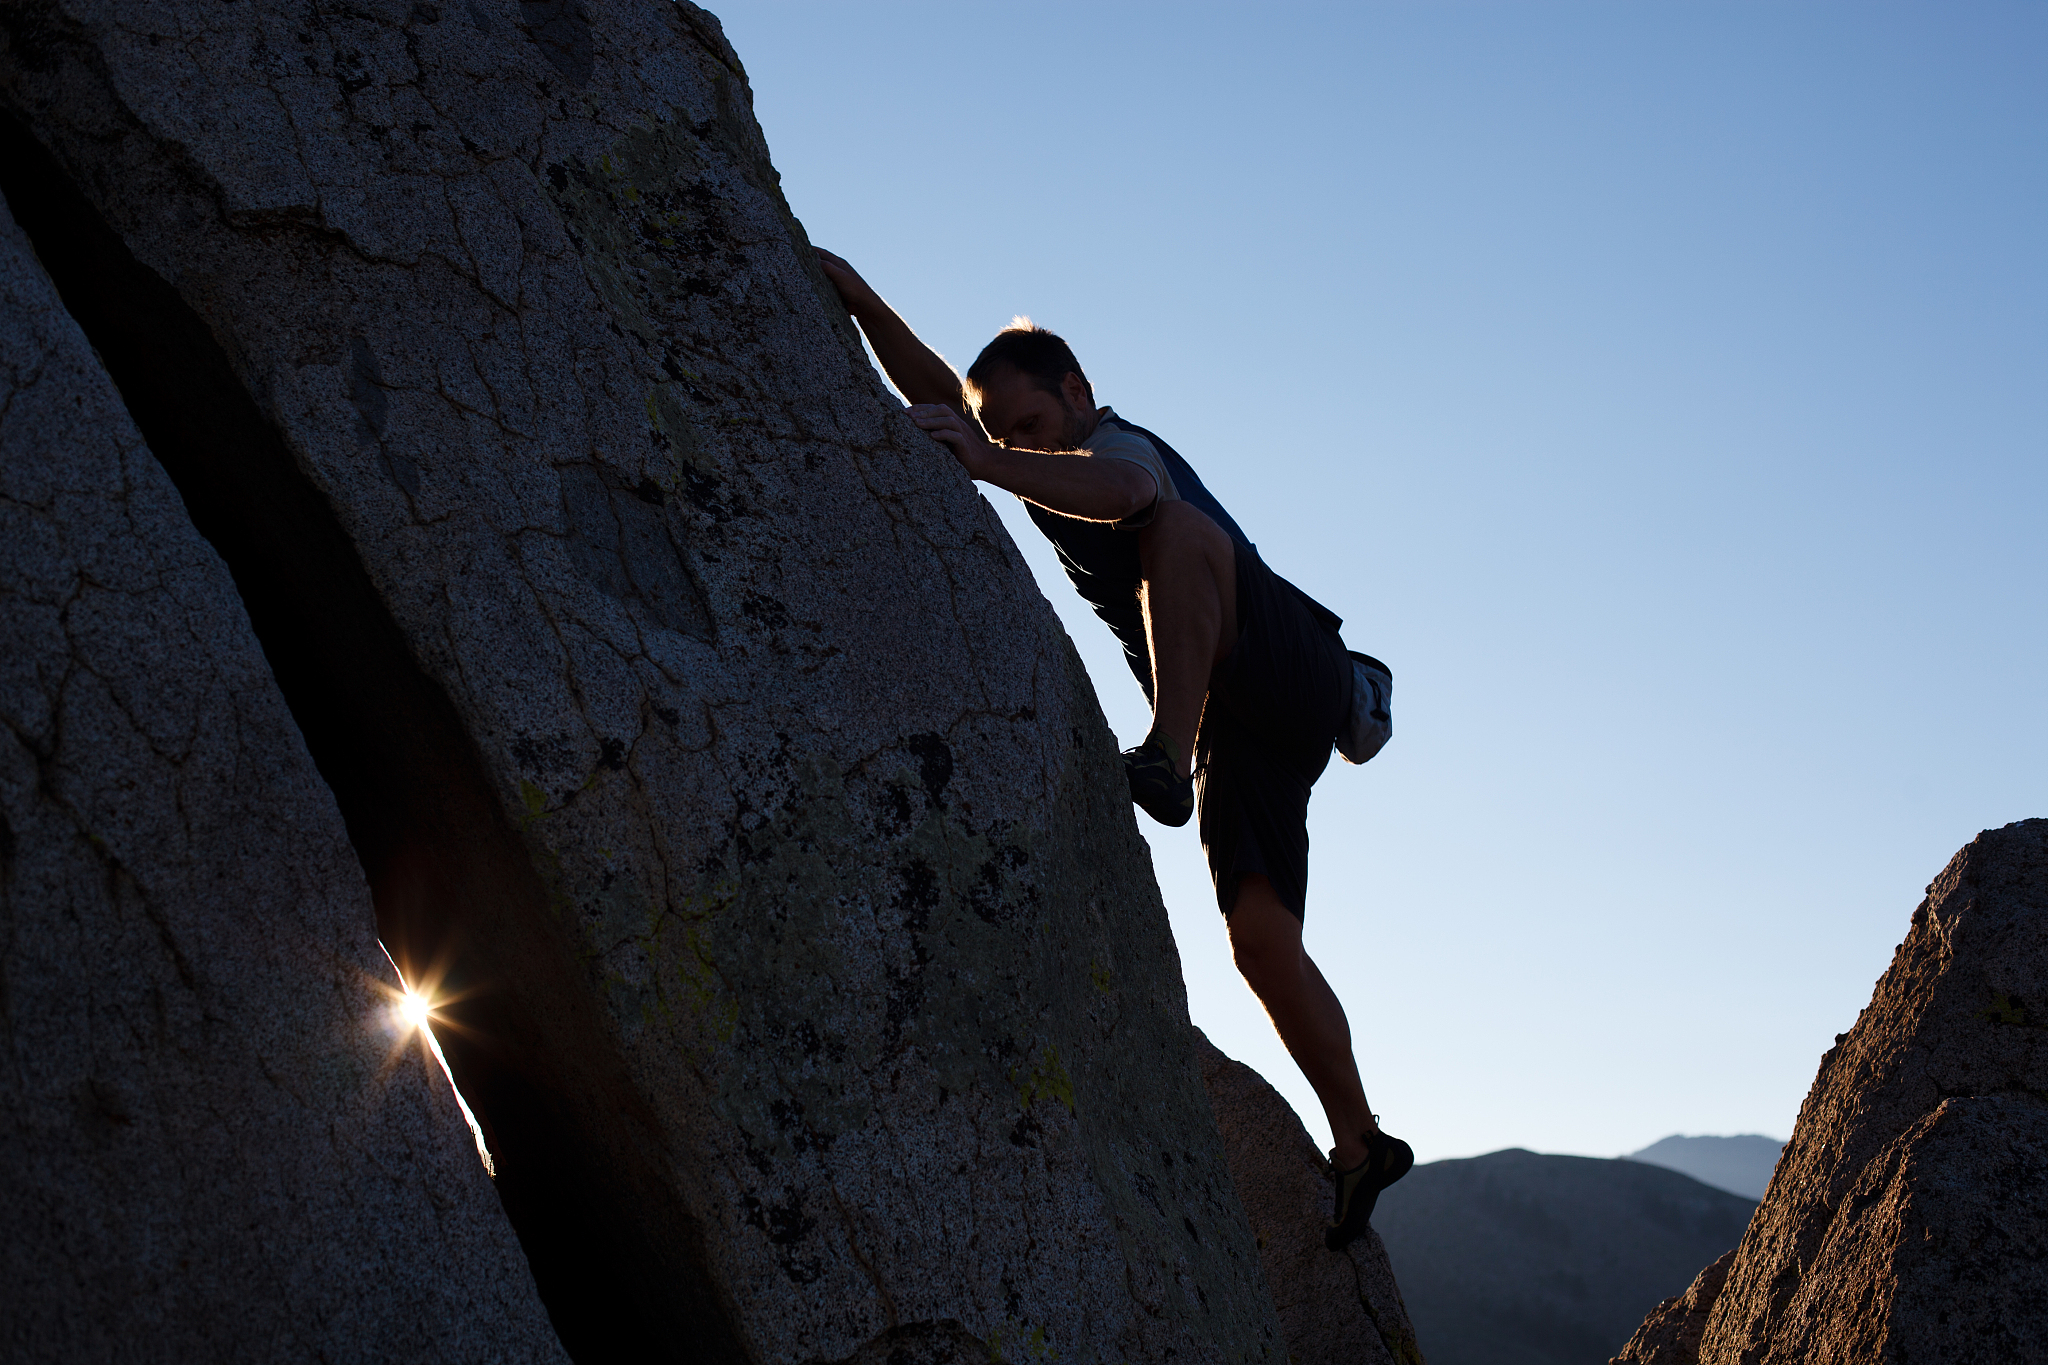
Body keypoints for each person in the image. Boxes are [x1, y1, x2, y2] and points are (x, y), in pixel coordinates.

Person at [816, 249, 1411, 1248]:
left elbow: (1133, 492)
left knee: (1170, 526)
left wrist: (994, 464)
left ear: (1077, 393)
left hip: (1282, 654)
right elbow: (940, 396)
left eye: (1032, 426)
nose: (1016, 445)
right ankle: (1361, 1145)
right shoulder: (1034, 453)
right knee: (1260, 946)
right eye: (1004, 432)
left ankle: (1163, 758)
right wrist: (850, 292)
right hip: (1234, 722)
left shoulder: (1113, 442)